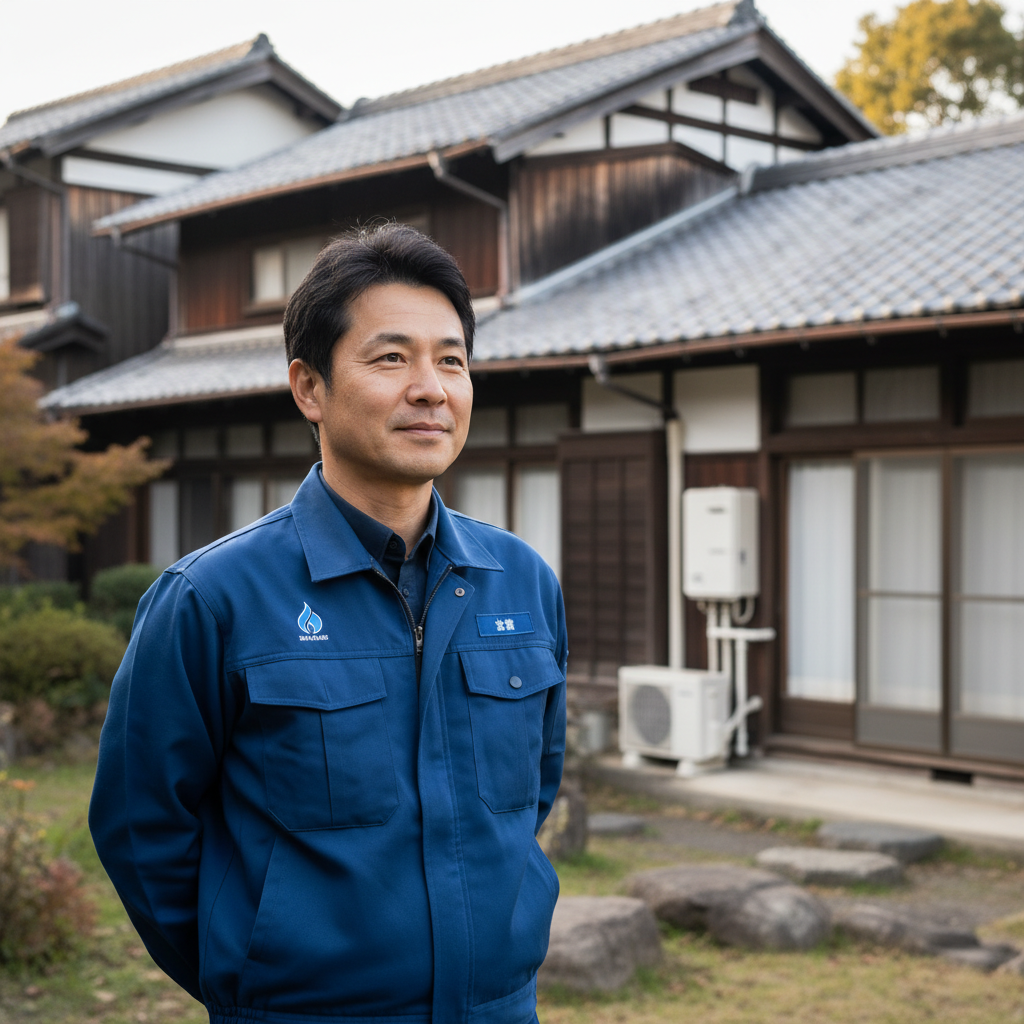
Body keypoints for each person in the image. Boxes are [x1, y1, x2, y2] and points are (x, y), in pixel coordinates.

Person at [90, 224, 567, 1024]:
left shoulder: (520, 580)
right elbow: (142, 828)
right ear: (310, 388)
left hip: (499, 1009)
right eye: (392, 358)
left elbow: (534, 795)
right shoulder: (213, 596)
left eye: (451, 360)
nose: (431, 389)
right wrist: (251, 975)